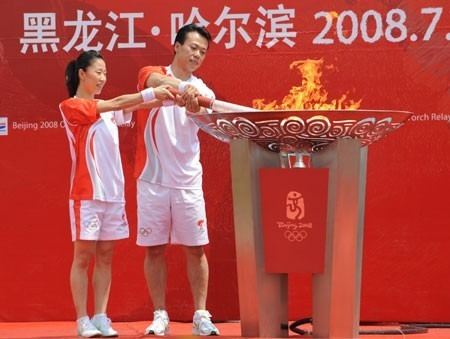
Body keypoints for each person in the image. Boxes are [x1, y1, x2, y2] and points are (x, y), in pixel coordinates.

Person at [59, 50, 173, 338]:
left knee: (106, 256)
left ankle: (100, 316)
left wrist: (174, 95)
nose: (103, 78)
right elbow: (123, 102)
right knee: (83, 256)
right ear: (82, 73)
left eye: (105, 73)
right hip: (86, 194)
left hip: (113, 196)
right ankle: (82, 319)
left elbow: (133, 107)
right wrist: (150, 93)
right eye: (98, 72)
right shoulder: (72, 107)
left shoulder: (106, 108)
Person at [135, 24, 220, 336]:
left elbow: (213, 122)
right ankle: (160, 314)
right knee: (154, 249)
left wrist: (196, 101)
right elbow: (155, 82)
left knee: (195, 249)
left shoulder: (205, 91)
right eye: (192, 48)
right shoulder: (151, 72)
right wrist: (184, 91)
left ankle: (200, 313)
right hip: (153, 179)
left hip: (187, 181)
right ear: (176, 46)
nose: (197, 55)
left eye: (202, 52)